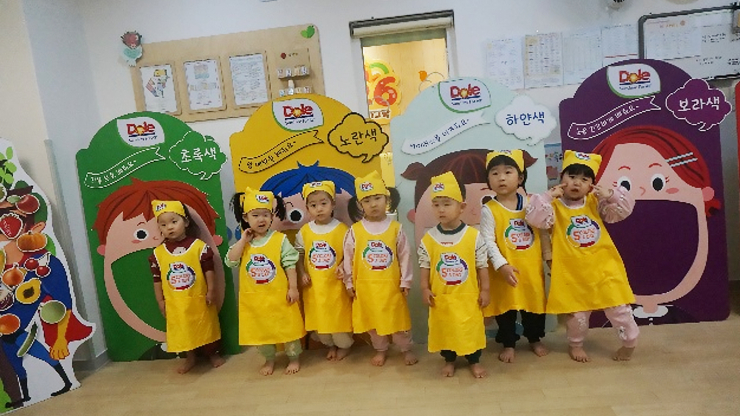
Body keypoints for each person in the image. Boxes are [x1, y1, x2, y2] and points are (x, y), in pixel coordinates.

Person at [526, 150, 639, 362]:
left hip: (605, 269)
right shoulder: (553, 206)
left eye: (584, 179)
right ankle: (576, 344)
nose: (577, 183)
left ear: (591, 185)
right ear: (561, 178)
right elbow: (535, 219)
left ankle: (629, 343)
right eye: (571, 176)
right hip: (572, 273)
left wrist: (611, 195)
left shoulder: (596, 203)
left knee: (620, 310)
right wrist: (548, 196)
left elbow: (623, 211)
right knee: (576, 316)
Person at [226, 187, 305, 375]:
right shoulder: (244, 244)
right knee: (261, 332)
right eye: (255, 215)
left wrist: (293, 288)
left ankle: (293, 358)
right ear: (246, 218)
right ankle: (269, 359)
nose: (261, 219)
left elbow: (290, 264)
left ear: (272, 217)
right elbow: (231, 261)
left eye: (266, 215)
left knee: (287, 328)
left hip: (280, 297)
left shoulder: (280, 239)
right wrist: (243, 241)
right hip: (255, 301)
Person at [418, 172, 489, 378]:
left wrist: (485, 289)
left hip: (468, 297)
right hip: (442, 299)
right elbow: (424, 265)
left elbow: (482, 265)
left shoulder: (474, 236)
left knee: (470, 330)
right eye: (436, 204)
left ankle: (474, 360)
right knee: (445, 330)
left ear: (462, 207)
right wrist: (424, 288)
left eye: (447, 204)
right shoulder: (429, 238)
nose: (441, 209)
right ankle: (449, 360)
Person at [480, 150, 548, 363]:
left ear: (520, 178)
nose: (501, 178)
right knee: (505, 309)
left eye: (508, 172)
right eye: (495, 173)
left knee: (534, 306)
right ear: (488, 180)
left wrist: (549, 258)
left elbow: (544, 231)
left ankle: (534, 338)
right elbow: (487, 241)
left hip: (530, 268)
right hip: (503, 272)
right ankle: (508, 343)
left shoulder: (532, 203)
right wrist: (501, 265)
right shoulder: (489, 209)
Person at [343, 171, 417, 367]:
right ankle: (380, 349)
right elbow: (348, 258)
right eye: (367, 200)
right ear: (360, 205)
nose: (373, 204)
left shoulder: (396, 228)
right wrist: (349, 282)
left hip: (392, 287)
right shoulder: (355, 231)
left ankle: (406, 349)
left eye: (377, 198)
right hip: (366, 288)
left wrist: (406, 280)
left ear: (387, 199)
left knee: (398, 321)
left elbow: (405, 255)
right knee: (373, 322)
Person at [148, 200, 223, 374]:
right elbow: (157, 279)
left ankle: (213, 354)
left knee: (206, 326)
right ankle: (190, 357)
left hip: (199, 299)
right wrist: (160, 301)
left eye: (174, 221)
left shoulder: (199, 247)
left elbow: (209, 271)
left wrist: (211, 290)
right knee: (183, 331)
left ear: (186, 222)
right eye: (163, 224)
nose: (169, 227)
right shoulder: (158, 254)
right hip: (176, 303)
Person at [295, 181, 353, 361]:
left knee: (338, 321)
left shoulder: (343, 229)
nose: (319, 209)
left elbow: (350, 254)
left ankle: (343, 346)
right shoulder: (304, 231)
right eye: (313, 205)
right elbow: (299, 254)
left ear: (332, 204)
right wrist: (302, 273)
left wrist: (342, 266)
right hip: (314, 287)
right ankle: (330, 345)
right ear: (307, 208)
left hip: (336, 287)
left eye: (323, 203)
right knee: (320, 323)